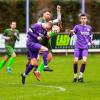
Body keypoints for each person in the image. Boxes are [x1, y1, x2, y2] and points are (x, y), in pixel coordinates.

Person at [37, 5, 61, 72]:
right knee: (36, 59)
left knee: (49, 57)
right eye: (47, 14)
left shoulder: (49, 22)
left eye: (49, 14)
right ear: (43, 14)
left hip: (46, 40)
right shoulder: (41, 19)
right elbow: (41, 26)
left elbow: (58, 20)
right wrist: (53, 30)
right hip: (40, 40)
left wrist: (58, 11)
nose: (49, 15)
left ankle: (38, 71)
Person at [70, 14, 93, 82]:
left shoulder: (89, 27)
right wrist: (71, 32)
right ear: (80, 20)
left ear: (86, 20)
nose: (83, 20)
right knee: (75, 61)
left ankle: (80, 77)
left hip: (85, 48)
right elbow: (71, 34)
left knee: (84, 61)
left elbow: (89, 37)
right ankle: (75, 76)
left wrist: (91, 42)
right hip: (78, 47)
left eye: (84, 18)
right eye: (82, 18)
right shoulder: (77, 27)